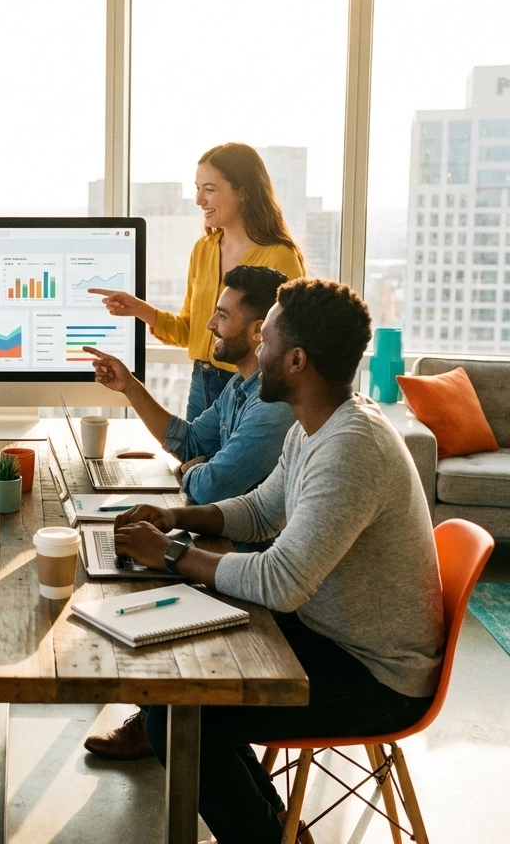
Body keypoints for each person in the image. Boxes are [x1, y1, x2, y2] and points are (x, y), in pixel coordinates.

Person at [111, 279, 444, 844]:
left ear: (295, 359)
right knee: (183, 675)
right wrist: (180, 520)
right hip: (329, 631)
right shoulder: (320, 420)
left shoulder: (350, 447)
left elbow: (282, 581)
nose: (255, 352)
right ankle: (280, 834)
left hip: (375, 675)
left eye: (264, 340)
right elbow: (264, 511)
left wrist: (169, 554)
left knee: (179, 718)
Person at [81, 265, 296, 760]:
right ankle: (158, 712)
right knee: (132, 559)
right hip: (238, 541)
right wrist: (131, 387)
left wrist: (192, 478)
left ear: (259, 330)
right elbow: (191, 444)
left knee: (144, 578)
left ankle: (163, 714)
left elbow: (211, 482)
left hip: (247, 564)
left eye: (221, 315)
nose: (210, 325)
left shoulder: (273, 408)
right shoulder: (239, 389)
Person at [90, 143, 304, 421]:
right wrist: (138, 308)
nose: (199, 200)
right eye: (197, 188)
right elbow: (190, 331)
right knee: (191, 461)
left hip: (252, 388)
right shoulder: (203, 250)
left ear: (243, 191)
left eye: (209, 189)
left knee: (232, 465)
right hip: (201, 383)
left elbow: (290, 342)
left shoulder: (281, 256)